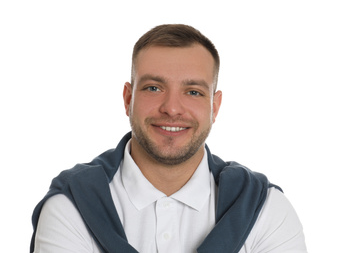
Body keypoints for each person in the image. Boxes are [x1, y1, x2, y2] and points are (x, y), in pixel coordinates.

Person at [30, 24, 307, 253]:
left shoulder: (265, 209)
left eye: (194, 92)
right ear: (128, 99)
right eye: (153, 87)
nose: (172, 108)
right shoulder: (72, 206)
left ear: (215, 106)